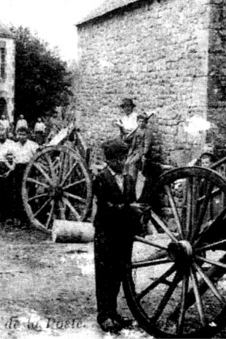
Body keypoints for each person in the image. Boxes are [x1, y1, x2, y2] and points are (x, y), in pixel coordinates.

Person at [93, 142, 140, 333]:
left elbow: (132, 202)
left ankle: (113, 313)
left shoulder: (129, 179)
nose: (121, 162)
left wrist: (138, 216)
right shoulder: (101, 179)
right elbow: (105, 207)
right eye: (116, 159)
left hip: (123, 234)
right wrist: (129, 209)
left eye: (124, 158)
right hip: (106, 233)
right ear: (108, 160)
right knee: (105, 275)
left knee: (119, 274)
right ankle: (104, 315)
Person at [11, 127, 38, 225]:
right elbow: (13, 159)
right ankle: (19, 218)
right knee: (17, 194)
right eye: (20, 134)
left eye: (24, 135)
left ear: (27, 135)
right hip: (18, 170)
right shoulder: (14, 146)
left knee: (29, 194)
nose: (22, 137)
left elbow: (38, 157)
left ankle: (29, 219)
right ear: (17, 135)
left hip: (28, 169)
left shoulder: (33, 145)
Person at [102, 98, 139, 168]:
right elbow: (122, 132)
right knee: (104, 144)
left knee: (111, 147)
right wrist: (119, 126)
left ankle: (115, 165)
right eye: (125, 107)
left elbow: (135, 131)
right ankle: (111, 163)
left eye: (128, 106)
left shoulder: (135, 116)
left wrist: (123, 130)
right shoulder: (124, 118)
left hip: (131, 140)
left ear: (132, 107)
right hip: (124, 138)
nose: (127, 109)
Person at [123, 113, 153, 198]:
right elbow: (128, 140)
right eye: (139, 121)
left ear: (145, 123)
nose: (141, 123)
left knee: (132, 164)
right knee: (126, 164)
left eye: (143, 121)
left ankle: (132, 184)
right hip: (134, 150)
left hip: (140, 151)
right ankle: (126, 183)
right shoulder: (136, 131)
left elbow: (147, 145)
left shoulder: (147, 132)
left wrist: (144, 154)